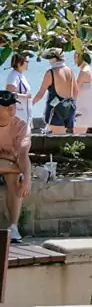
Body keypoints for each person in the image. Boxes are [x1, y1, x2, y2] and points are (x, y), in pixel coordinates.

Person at [0, 89, 31, 241]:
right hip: (10, 164)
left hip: (9, 167)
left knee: (16, 179)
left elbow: (23, 154)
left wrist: (27, 177)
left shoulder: (21, 126)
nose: (11, 109)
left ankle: (13, 227)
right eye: (6, 106)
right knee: (13, 169)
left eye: (13, 105)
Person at [35, 48, 77, 134]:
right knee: (66, 138)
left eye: (49, 58)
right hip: (70, 107)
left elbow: (40, 94)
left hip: (56, 109)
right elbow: (76, 91)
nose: (49, 61)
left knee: (58, 140)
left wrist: (30, 103)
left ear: (54, 59)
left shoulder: (51, 73)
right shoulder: (70, 71)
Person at [73, 49, 92, 135]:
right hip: (87, 107)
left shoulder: (84, 71)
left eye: (76, 57)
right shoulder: (88, 69)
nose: (74, 59)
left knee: (77, 136)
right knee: (79, 136)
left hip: (84, 109)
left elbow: (75, 90)